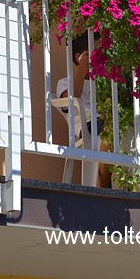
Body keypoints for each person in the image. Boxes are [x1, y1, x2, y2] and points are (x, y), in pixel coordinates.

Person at [56, 33, 111, 187]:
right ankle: (102, 188)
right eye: (96, 52)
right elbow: (71, 98)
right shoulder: (65, 82)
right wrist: (83, 67)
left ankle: (103, 187)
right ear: (79, 56)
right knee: (111, 131)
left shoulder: (103, 82)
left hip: (105, 125)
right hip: (87, 126)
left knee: (115, 131)